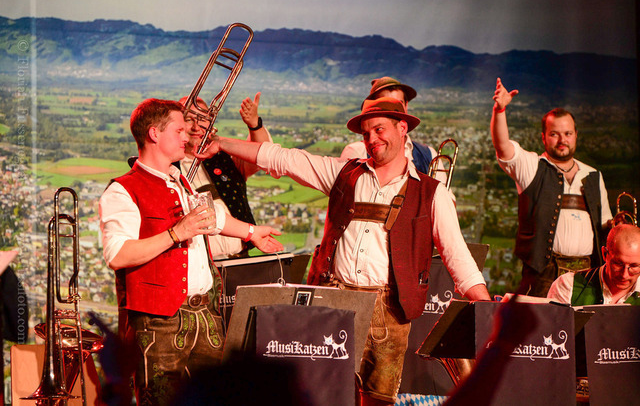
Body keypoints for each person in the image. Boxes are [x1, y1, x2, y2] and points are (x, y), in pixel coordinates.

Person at [196, 96, 491, 406]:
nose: (372, 139)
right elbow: (282, 158)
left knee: (377, 401)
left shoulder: (432, 193)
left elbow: (457, 257)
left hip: (388, 312)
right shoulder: (344, 174)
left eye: (379, 129)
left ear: (402, 128)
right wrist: (222, 144)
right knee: (321, 395)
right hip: (334, 302)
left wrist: (487, 310)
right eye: (366, 133)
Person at [99, 98, 283, 405]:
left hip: (205, 313)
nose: (187, 135)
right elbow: (118, 254)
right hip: (160, 321)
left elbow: (212, 218)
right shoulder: (123, 190)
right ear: (154, 133)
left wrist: (252, 232)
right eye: (179, 130)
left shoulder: (179, 180)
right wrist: (176, 233)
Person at [490, 77, 613, 297]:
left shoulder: (593, 175)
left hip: (589, 274)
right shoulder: (532, 167)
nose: (562, 140)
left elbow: (605, 225)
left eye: (568, 134)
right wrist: (500, 111)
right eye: (554, 134)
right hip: (544, 275)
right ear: (544, 137)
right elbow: (503, 147)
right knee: (543, 321)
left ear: (576, 136)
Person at [178, 93, 271, 259]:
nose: (196, 127)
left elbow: (263, 157)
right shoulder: (168, 168)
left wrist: (254, 125)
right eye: (188, 119)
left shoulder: (226, 157)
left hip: (240, 258)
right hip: (198, 266)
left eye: (203, 118)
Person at [341, 77, 445, 181]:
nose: (393, 109)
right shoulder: (357, 152)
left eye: (399, 103)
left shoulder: (429, 155)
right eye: (385, 103)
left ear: (406, 105)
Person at [547, 223, 640, 305]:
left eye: (634, 266)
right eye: (618, 264)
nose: (624, 275)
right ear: (604, 254)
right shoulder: (568, 285)